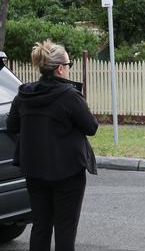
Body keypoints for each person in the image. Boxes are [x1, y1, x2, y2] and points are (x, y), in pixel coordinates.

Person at [8, 40, 98, 251]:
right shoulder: (68, 96)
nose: (69, 68)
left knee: (40, 226)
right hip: (68, 173)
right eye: (69, 64)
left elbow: (12, 125)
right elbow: (91, 127)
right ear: (60, 69)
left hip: (34, 171)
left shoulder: (24, 94)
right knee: (65, 230)